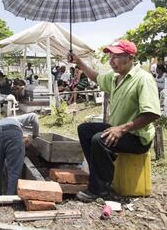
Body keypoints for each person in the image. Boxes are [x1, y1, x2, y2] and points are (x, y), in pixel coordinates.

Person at [69, 40, 161, 202]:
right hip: (119, 129)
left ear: (131, 58)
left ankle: (100, 190)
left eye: (117, 57)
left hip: (137, 137)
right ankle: (98, 175)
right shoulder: (115, 77)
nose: (112, 61)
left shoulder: (143, 79)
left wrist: (121, 129)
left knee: (100, 139)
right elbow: (96, 77)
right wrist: (79, 62)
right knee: (85, 129)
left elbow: (152, 114)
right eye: (111, 57)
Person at [0, 113, 39, 195]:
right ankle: (10, 198)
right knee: (14, 170)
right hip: (13, 131)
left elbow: (2, 147)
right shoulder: (15, 119)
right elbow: (34, 116)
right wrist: (35, 135)